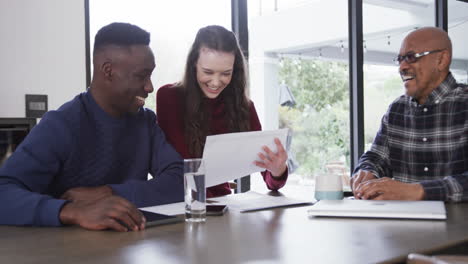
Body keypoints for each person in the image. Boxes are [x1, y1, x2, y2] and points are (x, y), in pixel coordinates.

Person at [0, 22, 184, 231]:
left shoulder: (145, 122)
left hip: (132, 248)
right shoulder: (60, 125)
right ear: (108, 71)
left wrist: (110, 193)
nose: (150, 86)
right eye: (142, 76)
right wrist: (72, 211)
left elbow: (180, 180)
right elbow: (3, 193)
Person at [156, 25, 288, 197]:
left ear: (235, 70)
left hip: (222, 206)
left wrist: (278, 170)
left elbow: (271, 182)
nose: (216, 82)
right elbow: (184, 168)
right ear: (194, 64)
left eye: (226, 73)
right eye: (208, 72)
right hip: (182, 203)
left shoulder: (244, 107)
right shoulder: (170, 97)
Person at [351, 27, 468, 201]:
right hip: (399, 225)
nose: (402, 67)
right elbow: (377, 156)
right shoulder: (397, 109)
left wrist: (418, 191)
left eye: (411, 57)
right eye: (400, 59)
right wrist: (367, 170)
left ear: (442, 60)